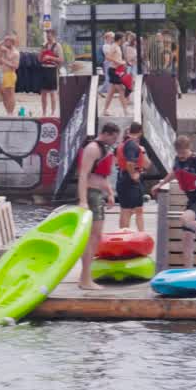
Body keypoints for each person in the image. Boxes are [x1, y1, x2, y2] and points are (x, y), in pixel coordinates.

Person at [150, 135, 196, 267]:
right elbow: (174, 173)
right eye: (179, 153)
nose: (182, 156)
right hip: (193, 201)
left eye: (184, 153)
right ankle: (188, 270)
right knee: (187, 239)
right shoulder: (177, 160)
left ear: (190, 149)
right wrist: (160, 184)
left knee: (185, 219)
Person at [76, 122, 122, 289]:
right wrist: (83, 201)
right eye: (114, 138)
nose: (114, 142)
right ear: (107, 134)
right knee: (91, 238)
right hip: (90, 195)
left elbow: (102, 176)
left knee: (96, 237)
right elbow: (83, 175)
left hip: (98, 194)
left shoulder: (104, 149)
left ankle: (85, 277)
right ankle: (85, 280)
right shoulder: (93, 148)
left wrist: (110, 193)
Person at [116, 122, 147, 231]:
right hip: (128, 180)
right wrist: (133, 174)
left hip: (129, 179)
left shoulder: (124, 144)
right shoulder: (131, 145)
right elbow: (129, 163)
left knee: (138, 209)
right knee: (126, 210)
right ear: (140, 132)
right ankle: (124, 235)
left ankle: (141, 234)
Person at [101, 32, 130, 117]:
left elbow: (116, 57)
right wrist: (119, 62)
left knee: (111, 92)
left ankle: (105, 110)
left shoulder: (118, 47)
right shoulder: (114, 46)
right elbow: (108, 57)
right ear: (120, 39)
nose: (124, 39)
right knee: (121, 90)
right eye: (123, 38)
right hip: (114, 70)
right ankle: (125, 110)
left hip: (117, 70)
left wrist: (123, 63)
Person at [39, 33, 63, 117]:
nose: (48, 37)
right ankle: (44, 112)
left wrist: (50, 58)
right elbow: (39, 59)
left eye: (50, 35)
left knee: (53, 93)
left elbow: (61, 59)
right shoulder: (44, 45)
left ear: (53, 36)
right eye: (47, 35)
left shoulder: (57, 46)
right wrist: (41, 52)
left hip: (52, 69)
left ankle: (53, 112)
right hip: (43, 69)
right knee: (43, 93)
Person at [0, 34, 20, 115]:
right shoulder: (4, 50)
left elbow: (16, 66)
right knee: (4, 94)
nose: (6, 42)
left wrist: (5, 62)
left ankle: (10, 112)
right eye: (5, 41)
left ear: (12, 42)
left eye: (7, 41)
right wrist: (3, 40)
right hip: (3, 73)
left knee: (10, 94)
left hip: (10, 74)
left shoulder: (15, 52)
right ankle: (7, 111)